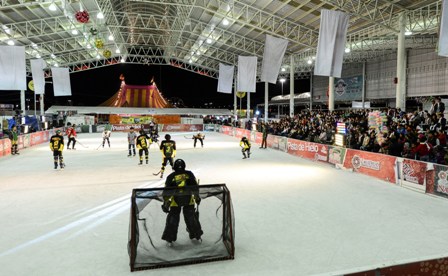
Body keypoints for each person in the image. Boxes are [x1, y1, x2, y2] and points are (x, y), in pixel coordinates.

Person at [161, 159, 203, 246]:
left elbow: (166, 193)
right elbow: (195, 188)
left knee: (173, 219)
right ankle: (196, 234)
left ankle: (170, 238)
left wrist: (166, 203)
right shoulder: (189, 174)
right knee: (191, 217)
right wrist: (196, 197)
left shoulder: (171, 176)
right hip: (188, 201)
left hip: (175, 202)